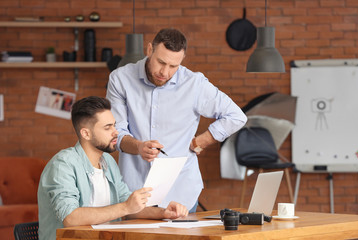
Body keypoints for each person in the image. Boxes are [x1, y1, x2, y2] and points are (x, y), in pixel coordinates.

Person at [106, 28, 247, 212]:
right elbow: (117, 133)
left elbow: (236, 116)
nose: (165, 72)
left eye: (174, 66)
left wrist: (200, 142)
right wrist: (139, 147)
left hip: (180, 192)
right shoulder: (120, 79)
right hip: (135, 193)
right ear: (149, 50)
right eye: (161, 62)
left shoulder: (194, 84)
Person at [37, 96, 188, 240]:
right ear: (86, 133)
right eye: (108, 127)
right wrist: (126, 207)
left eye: (114, 125)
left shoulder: (107, 161)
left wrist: (164, 212)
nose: (116, 132)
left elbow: (129, 207)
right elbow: (70, 218)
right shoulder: (62, 165)